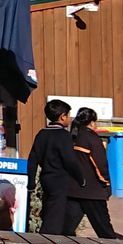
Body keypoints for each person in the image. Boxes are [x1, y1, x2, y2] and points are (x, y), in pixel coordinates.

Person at [28, 99, 78, 235]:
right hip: (60, 179)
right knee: (55, 216)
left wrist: (31, 183)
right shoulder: (64, 136)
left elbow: (32, 159)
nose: (70, 118)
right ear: (62, 117)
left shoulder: (41, 134)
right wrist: (81, 178)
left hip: (45, 178)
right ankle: (48, 240)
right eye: (69, 115)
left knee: (49, 209)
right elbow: (70, 160)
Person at [67, 108, 119, 238]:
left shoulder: (72, 137)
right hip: (92, 191)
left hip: (73, 190)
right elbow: (100, 164)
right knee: (105, 231)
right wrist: (106, 183)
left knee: (65, 230)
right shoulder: (92, 138)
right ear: (91, 122)